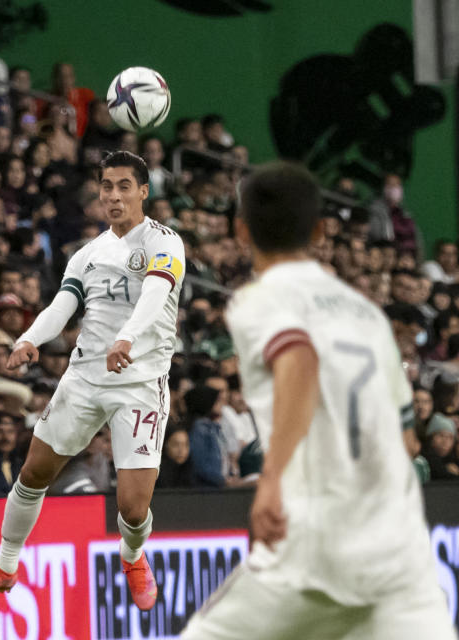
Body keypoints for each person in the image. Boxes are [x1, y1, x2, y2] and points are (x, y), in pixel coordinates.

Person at [181, 163, 455, 639]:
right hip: (398, 547)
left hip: (315, 542)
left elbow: (299, 361)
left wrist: (270, 478)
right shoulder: (368, 313)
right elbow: (408, 441)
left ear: (241, 231)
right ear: (321, 229)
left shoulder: (256, 301)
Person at [0, 151, 186, 611]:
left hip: (140, 382)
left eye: (124, 185)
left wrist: (125, 338)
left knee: (133, 508)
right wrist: (29, 339)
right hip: (83, 376)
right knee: (34, 472)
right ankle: (4, 565)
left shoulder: (166, 242)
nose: (114, 195)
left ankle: (134, 557)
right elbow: (64, 305)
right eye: (106, 186)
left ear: (144, 192)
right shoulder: (87, 253)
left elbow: (157, 293)